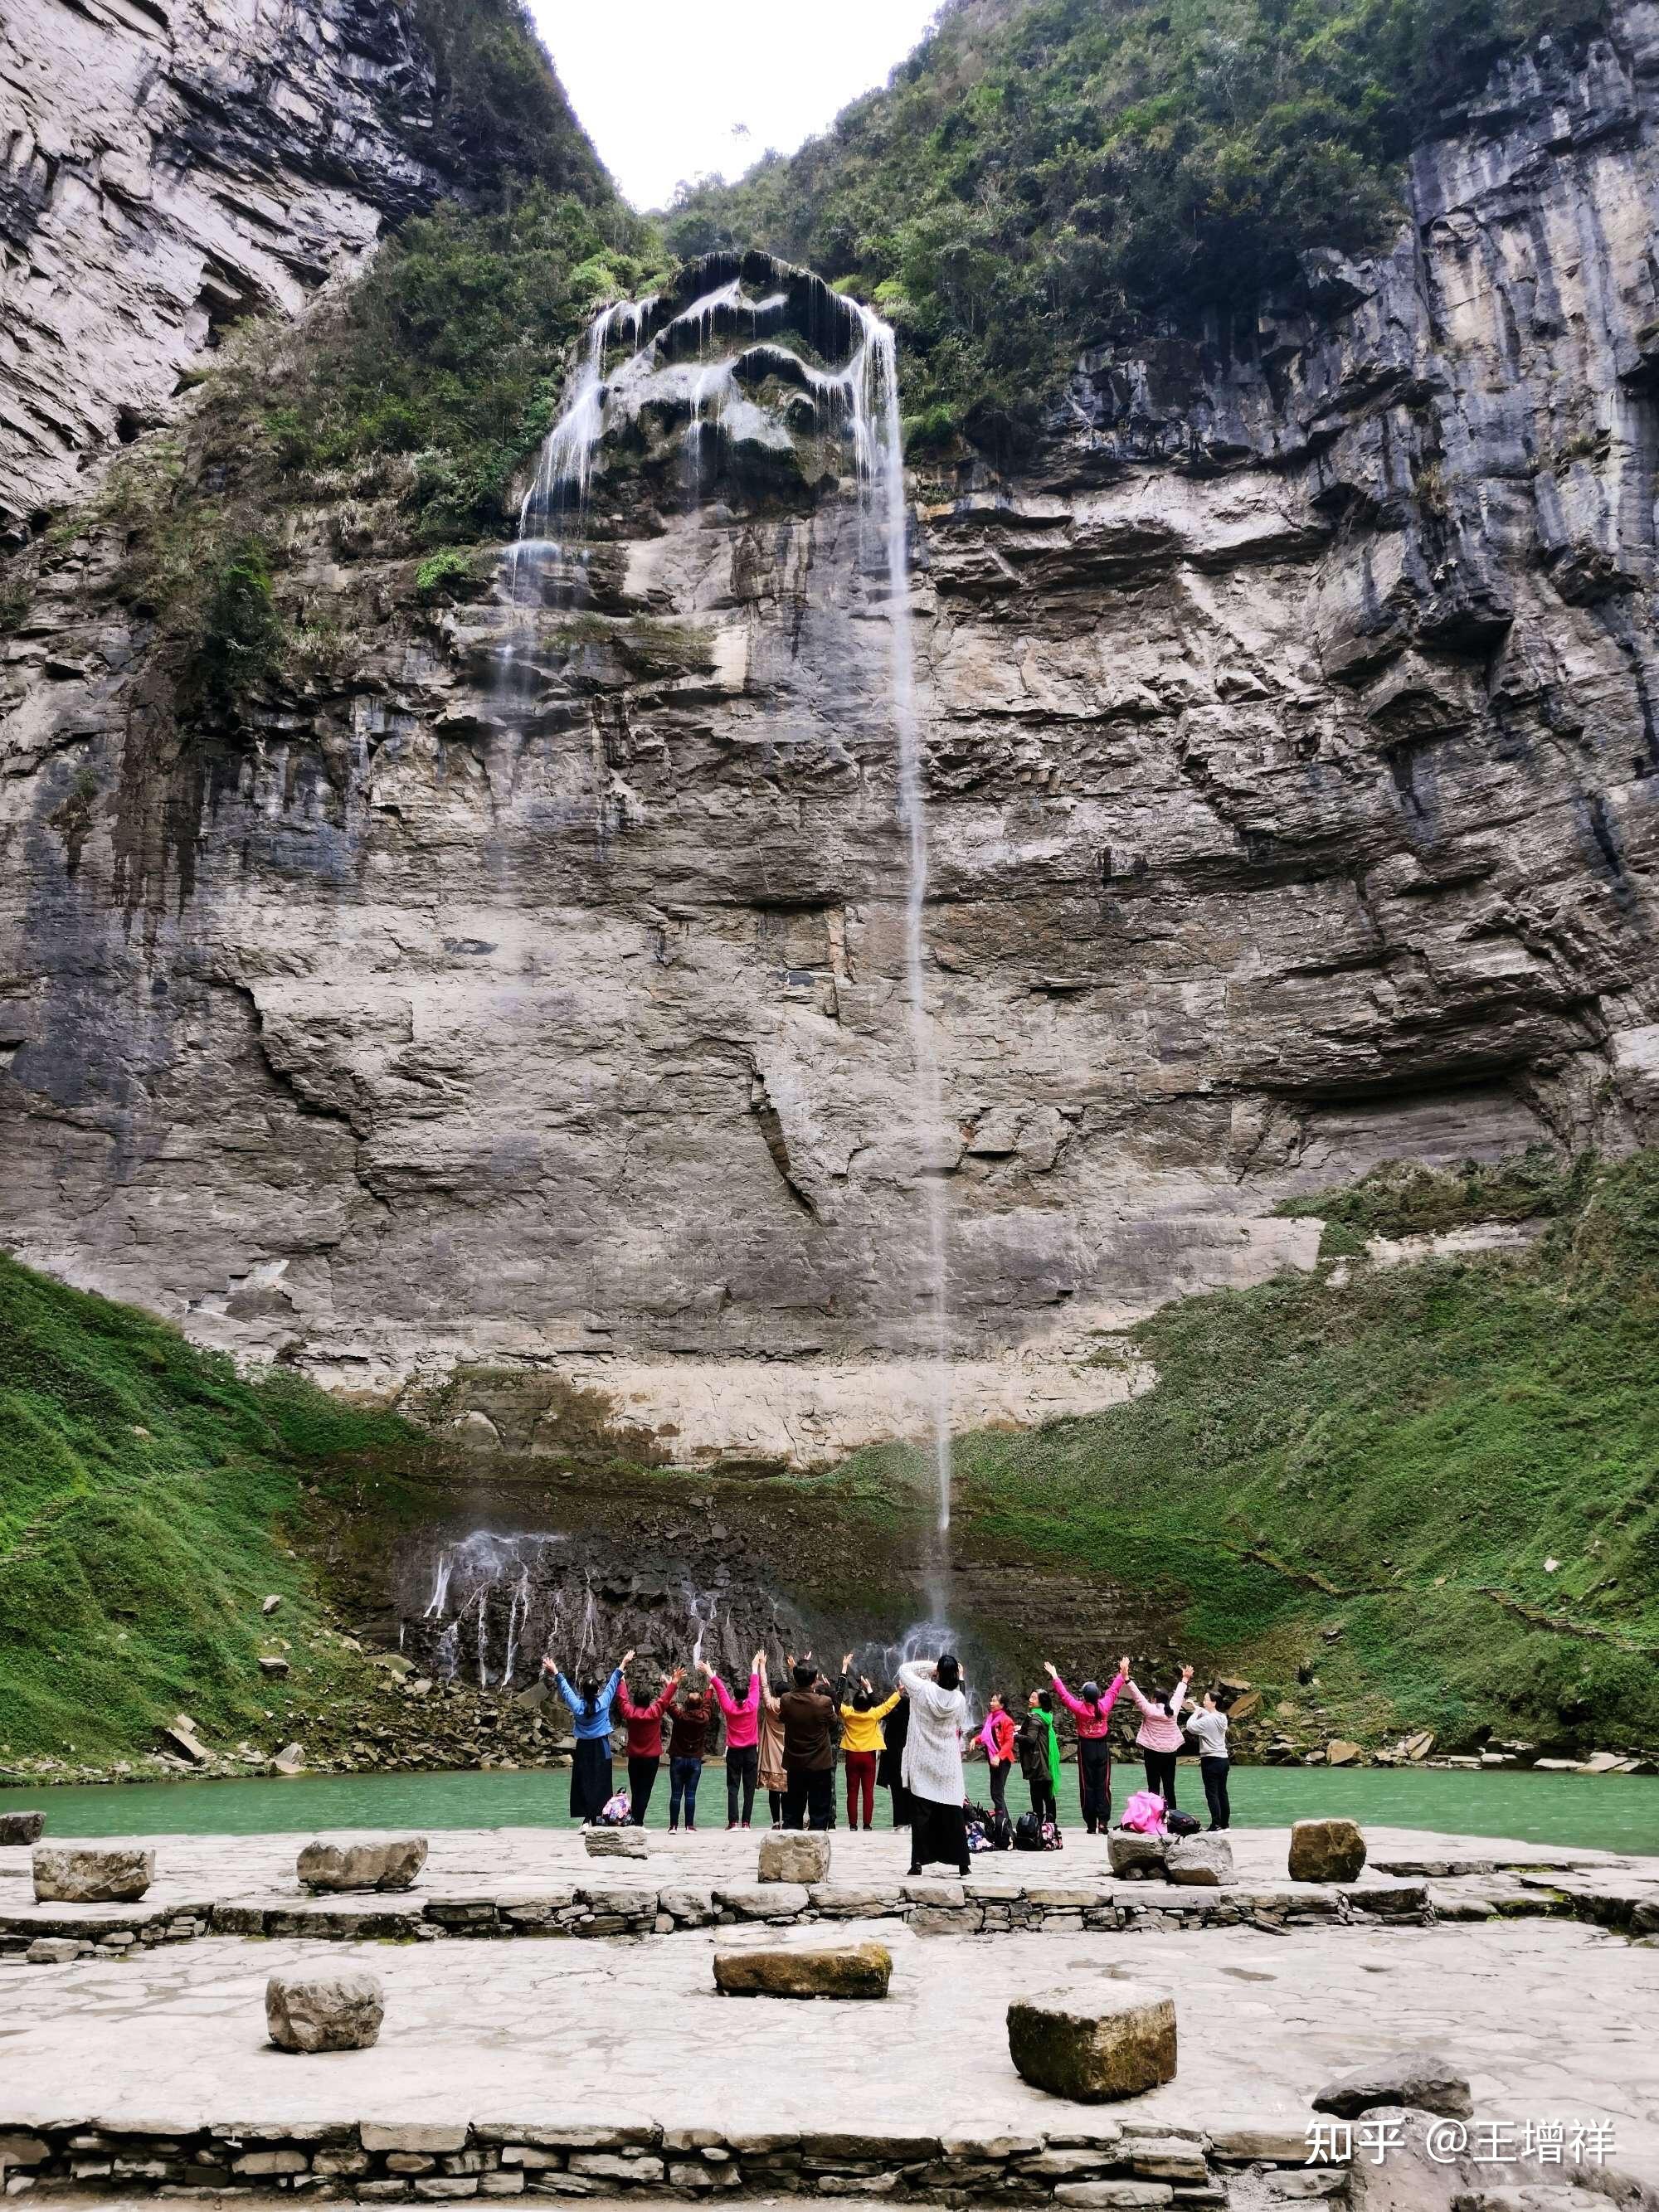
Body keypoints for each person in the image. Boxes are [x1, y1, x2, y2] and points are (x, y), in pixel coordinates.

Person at [898, 1654, 970, 1876]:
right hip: (948, 1762)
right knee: (953, 1813)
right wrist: (950, 1673)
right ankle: (962, 1864)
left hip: (923, 1759)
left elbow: (905, 1670)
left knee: (921, 1814)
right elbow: (959, 1722)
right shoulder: (959, 1699)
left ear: (937, 1672)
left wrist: (933, 1668)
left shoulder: (922, 1690)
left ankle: (918, 1863)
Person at [544, 1646, 629, 1823]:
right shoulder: (603, 1703)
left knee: (584, 1782)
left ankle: (587, 1819)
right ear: (597, 1691)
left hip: (583, 1746)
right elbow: (613, 1682)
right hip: (601, 1746)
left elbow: (566, 1690)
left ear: (582, 1692)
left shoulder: (577, 1706)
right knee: (602, 1780)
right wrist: (624, 1662)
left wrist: (555, 1671)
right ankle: (599, 1816)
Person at [1045, 1656, 1129, 1835]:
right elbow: (1114, 1690)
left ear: (1084, 1697)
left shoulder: (1079, 1708)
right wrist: (1122, 1674)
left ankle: (1091, 1823)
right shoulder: (1104, 1706)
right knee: (1103, 1784)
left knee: (1087, 1784)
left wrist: (1055, 1676)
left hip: (1086, 1748)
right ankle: (1103, 1822)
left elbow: (1064, 1696)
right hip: (1102, 1748)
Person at [615, 1662, 681, 1826]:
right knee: (646, 1790)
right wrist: (674, 1681)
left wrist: (621, 1681)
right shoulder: (654, 1712)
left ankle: (634, 1820)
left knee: (636, 1789)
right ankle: (638, 1822)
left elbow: (622, 1700)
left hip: (635, 1757)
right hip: (651, 1758)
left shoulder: (630, 1713)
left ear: (636, 1701)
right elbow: (665, 1699)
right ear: (649, 1701)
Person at [838, 1670, 902, 1830]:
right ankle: (867, 1824)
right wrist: (899, 1693)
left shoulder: (847, 1713)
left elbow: (836, 1701)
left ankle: (853, 1825)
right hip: (869, 1756)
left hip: (852, 1755)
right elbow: (887, 1706)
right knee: (868, 1791)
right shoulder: (873, 1714)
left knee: (852, 1791)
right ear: (868, 1705)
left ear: (854, 1703)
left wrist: (843, 1673)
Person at [778, 1659, 838, 1830]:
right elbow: (833, 1722)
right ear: (815, 1679)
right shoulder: (824, 1702)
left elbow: (782, 1717)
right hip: (819, 1763)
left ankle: (791, 1843)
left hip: (795, 1762)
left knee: (792, 1810)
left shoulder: (786, 1700)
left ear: (795, 1679)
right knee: (819, 1810)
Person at [707, 1652, 764, 1830]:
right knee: (749, 1789)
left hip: (733, 1753)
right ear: (747, 1695)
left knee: (733, 1787)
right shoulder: (753, 1705)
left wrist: (710, 1673)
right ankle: (746, 1823)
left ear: (735, 1696)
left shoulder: (729, 1708)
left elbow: (721, 1690)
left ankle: (733, 1822)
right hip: (750, 1753)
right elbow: (756, 1686)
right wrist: (755, 1665)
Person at [1126, 1663, 1194, 1810]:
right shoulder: (1173, 1710)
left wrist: (1126, 1678)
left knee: (1153, 1787)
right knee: (1169, 1786)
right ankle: (1173, 1816)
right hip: (1170, 1753)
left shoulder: (1149, 1710)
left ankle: (1155, 1818)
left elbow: (1137, 1696)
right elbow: (1179, 1694)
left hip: (1152, 1753)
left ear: (1155, 1700)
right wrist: (1185, 1679)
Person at [664, 1676, 716, 1832]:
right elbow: (707, 1703)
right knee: (691, 1794)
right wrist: (711, 1685)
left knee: (675, 1794)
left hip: (678, 1759)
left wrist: (670, 1684)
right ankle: (689, 1826)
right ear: (700, 1705)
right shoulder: (704, 1718)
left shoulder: (680, 1717)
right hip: (695, 1760)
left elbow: (668, 1703)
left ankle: (673, 1826)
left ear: (685, 1704)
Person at [1185, 1687, 1231, 1830]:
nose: (1204, 1702)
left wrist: (1195, 1712)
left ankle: (1215, 1825)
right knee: (1222, 1792)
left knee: (1211, 1794)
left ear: (1214, 1702)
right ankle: (1224, 1824)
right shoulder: (1222, 1717)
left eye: (1206, 1700)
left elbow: (1190, 1727)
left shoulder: (1207, 1721)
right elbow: (1209, 1715)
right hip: (1223, 1759)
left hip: (1210, 1760)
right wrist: (1197, 1707)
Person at [1018, 1688, 1060, 1829]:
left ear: (1041, 1702)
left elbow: (1030, 1740)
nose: (1030, 1700)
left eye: (1034, 1698)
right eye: (1030, 1697)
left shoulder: (1035, 1718)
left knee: (1037, 1797)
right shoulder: (1047, 1717)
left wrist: (1015, 1736)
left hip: (1037, 1764)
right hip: (1046, 1761)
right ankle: (1051, 1827)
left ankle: (1038, 1827)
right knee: (1048, 1797)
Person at [878, 1682, 912, 1830]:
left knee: (896, 1790)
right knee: (909, 1790)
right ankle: (910, 1821)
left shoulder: (892, 1715)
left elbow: (881, 1710)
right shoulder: (911, 1717)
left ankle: (898, 1822)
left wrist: (870, 1690)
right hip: (908, 1756)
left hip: (893, 1757)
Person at [758, 1666, 789, 1827]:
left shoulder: (770, 1706)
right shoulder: (792, 1707)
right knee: (786, 1790)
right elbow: (803, 1692)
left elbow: (764, 1687)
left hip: (771, 1755)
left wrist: (762, 1666)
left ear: (775, 1693)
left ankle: (776, 1821)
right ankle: (786, 1820)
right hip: (789, 1754)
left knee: (773, 1791)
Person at [977, 1693, 1017, 1815]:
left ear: (1002, 1705)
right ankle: (1004, 1825)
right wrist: (975, 1740)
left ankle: (1005, 1828)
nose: (991, 1703)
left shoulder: (1007, 1720)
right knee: (995, 1793)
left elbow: (1009, 1742)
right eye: (991, 1700)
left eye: (994, 1701)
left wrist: (998, 1756)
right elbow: (986, 1736)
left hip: (1003, 1760)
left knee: (998, 1794)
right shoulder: (991, 1718)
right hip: (993, 1759)